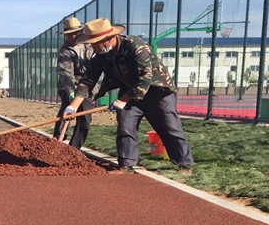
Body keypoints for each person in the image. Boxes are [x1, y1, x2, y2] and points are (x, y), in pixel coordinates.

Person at [63, 18, 193, 172]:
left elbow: (145, 79)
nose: (92, 46)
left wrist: (123, 100)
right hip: (129, 90)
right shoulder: (101, 55)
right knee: (125, 125)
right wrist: (73, 106)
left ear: (107, 40)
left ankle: (184, 163)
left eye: (94, 43)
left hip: (157, 91)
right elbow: (88, 80)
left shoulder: (136, 47)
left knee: (169, 127)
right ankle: (126, 164)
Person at [53, 17, 95, 149]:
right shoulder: (65, 51)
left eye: (76, 33)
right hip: (68, 85)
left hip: (87, 87)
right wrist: (71, 92)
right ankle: (57, 140)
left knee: (85, 116)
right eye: (70, 34)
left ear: (82, 32)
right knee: (67, 109)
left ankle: (74, 148)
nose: (73, 36)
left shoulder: (90, 45)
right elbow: (66, 74)